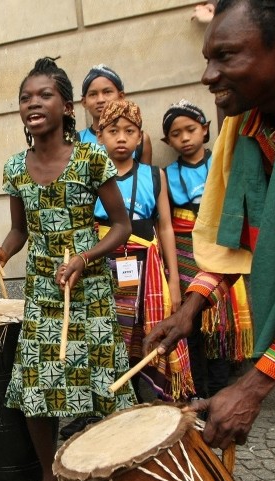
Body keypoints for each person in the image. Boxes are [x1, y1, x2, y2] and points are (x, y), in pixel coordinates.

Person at [144, 1, 275, 481]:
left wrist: (251, 388)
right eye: (208, 57)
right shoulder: (250, 129)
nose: (208, 75)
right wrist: (189, 307)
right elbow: (236, 241)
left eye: (226, 56)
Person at [0, 57, 136, 481]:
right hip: (45, 292)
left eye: (43, 95)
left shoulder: (90, 156)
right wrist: (1, 253)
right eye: (25, 98)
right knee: (35, 386)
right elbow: (20, 231)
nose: (33, 103)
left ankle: (115, 475)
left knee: (105, 385)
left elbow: (121, 226)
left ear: (67, 107)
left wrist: (85, 258)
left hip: (90, 290)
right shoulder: (14, 167)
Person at [92, 99, 192, 402]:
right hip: (106, 269)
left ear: (140, 137)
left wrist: (174, 282)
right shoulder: (92, 177)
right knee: (112, 337)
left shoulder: (153, 175)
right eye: (113, 130)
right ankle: (112, 403)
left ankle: (157, 400)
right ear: (100, 136)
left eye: (129, 130)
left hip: (149, 269)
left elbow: (165, 228)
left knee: (147, 332)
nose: (121, 137)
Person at [161, 99, 252, 399]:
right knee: (194, 327)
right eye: (176, 134)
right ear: (167, 141)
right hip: (187, 256)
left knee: (220, 325)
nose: (184, 138)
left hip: (222, 251)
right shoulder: (166, 175)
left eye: (190, 129)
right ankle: (198, 392)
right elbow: (167, 224)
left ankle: (220, 391)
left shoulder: (222, 162)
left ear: (206, 130)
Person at [77, 65, 154, 165]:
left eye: (107, 92)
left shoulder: (141, 140)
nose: (100, 100)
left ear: (121, 96)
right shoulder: (77, 140)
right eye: (93, 94)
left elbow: (146, 177)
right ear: (84, 102)